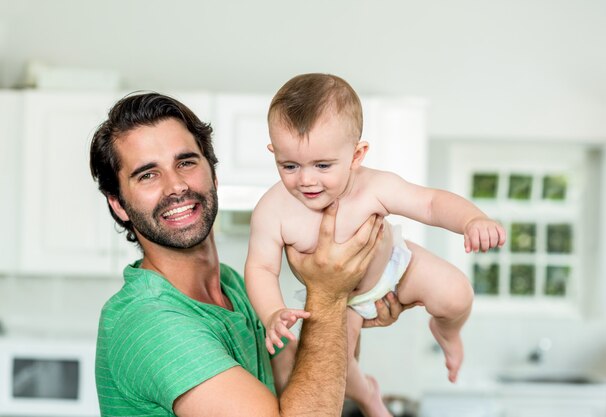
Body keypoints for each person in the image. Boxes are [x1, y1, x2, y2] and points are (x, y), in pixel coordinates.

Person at [89, 92, 408, 417]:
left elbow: (306, 390)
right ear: (118, 204)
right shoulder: (150, 321)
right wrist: (328, 295)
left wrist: (352, 299)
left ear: (213, 174)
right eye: (148, 175)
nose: (176, 186)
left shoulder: (232, 286)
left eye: (185, 162)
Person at [244, 73, 507, 417]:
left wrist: (472, 220)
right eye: (289, 165)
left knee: (457, 294)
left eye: (323, 165)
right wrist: (272, 312)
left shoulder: (374, 186)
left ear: (356, 155)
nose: (306, 179)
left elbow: (429, 204)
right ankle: (370, 398)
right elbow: (261, 267)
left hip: (398, 267)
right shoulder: (272, 209)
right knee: (337, 370)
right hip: (342, 302)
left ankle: (447, 332)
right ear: (273, 153)